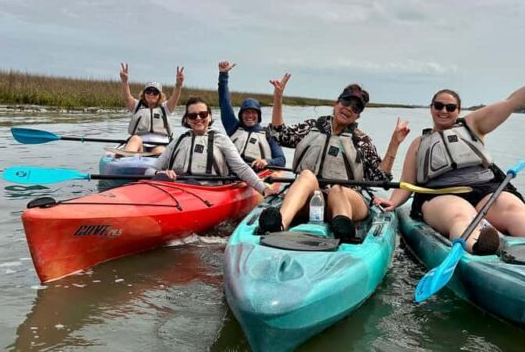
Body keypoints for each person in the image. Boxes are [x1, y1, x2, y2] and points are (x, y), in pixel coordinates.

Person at [374, 46, 525, 254]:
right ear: (431, 107)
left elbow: (512, 102)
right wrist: (392, 202)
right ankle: (477, 245)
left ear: (458, 111)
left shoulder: (473, 125)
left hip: (485, 189)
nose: (444, 111)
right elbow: (407, 184)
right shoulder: (419, 143)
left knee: (514, 211)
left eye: (450, 108)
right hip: (440, 194)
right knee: (460, 216)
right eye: (439, 106)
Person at [257, 74, 410, 241]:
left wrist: (395, 143)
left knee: (337, 189)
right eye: (346, 102)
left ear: (358, 116)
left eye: (356, 108)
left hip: (348, 201)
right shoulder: (311, 128)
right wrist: (278, 98)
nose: (349, 108)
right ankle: (279, 225)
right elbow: (279, 135)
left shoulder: (361, 140)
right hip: (311, 200)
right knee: (306, 175)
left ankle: (344, 231)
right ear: (336, 103)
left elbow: (379, 176)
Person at [146, 96, 276, 198]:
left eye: (202, 114)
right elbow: (150, 170)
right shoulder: (177, 142)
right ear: (187, 120)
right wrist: (159, 173)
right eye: (192, 116)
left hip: (209, 192)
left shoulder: (221, 140)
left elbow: (241, 169)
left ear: (210, 116)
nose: (198, 118)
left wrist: (264, 189)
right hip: (174, 190)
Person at [217, 61, 286, 170]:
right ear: (241, 115)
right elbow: (224, 103)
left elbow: (281, 160)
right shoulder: (233, 127)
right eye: (246, 112)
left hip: (259, 175)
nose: (250, 115)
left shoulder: (269, 135)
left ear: (258, 115)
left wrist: (266, 161)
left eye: (253, 112)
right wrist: (223, 75)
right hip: (232, 175)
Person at [119, 63, 184, 155]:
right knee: (135, 139)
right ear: (144, 93)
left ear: (159, 95)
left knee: (159, 151)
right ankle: (126, 159)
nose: (151, 94)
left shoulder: (165, 108)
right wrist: (125, 82)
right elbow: (127, 97)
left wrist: (178, 85)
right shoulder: (137, 106)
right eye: (148, 91)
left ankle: (157, 162)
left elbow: (175, 97)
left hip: (160, 145)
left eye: (155, 92)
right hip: (140, 145)